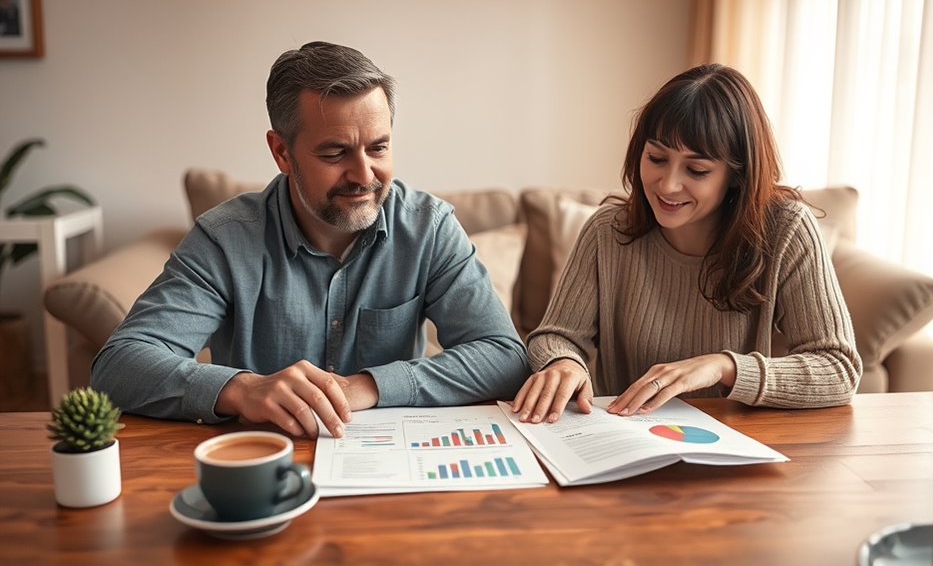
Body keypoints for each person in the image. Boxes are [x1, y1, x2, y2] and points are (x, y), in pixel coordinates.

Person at [93, 42, 529, 438]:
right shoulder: (224, 240)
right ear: (281, 152)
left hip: (391, 466)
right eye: (335, 153)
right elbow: (119, 365)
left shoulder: (428, 228)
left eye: (378, 148)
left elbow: (505, 356)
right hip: (262, 462)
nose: (364, 176)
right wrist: (242, 389)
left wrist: (369, 386)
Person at [512, 63, 862, 423]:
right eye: (657, 158)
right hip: (623, 441)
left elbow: (838, 369)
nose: (667, 185)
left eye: (696, 170)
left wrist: (724, 366)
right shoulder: (607, 231)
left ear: (737, 175)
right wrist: (564, 361)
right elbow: (555, 336)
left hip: (738, 443)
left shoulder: (786, 230)